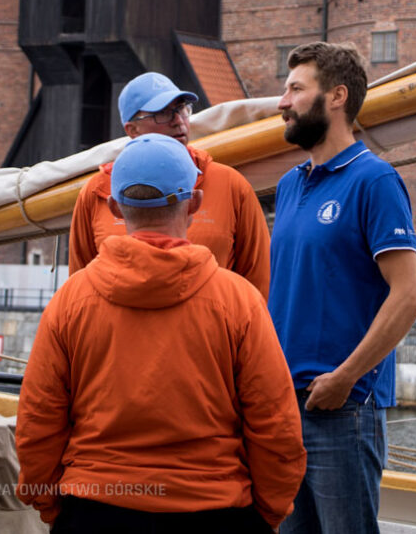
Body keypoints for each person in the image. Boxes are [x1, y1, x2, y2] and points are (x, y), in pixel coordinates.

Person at [16, 133, 306, 534]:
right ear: (196, 203)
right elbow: (276, 424)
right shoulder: (238, 301)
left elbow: (38, 420)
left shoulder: (71, 301)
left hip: (94, 508)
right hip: (214, 510)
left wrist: (51, 505)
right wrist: (270, 511)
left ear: (115, 207)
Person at [268, 41, 416, 534]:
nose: (282, 101)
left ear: (336, 97)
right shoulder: (291, 184)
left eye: (295, 89)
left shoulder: (374, 181)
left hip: (344, 407)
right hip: (285, 407)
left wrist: (344, 378)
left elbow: (409, 295)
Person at [68, 72, 271, 297]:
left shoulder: (231, 185)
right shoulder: (97, 192)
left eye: (182, 108)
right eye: (162, 113)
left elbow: (258, 282)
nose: (178, 120)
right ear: (132, 130)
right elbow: (82, 287)